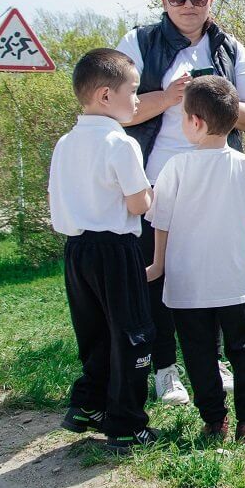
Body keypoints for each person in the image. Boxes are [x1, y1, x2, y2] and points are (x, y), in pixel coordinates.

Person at [117, 0, 245, 405]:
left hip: (215, 182)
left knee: (211, 276)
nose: (187, 5)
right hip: (153, 181)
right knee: (158, 276)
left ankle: (213, 361)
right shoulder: (139, 42)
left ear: (210, 1)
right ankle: (166, 369)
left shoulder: (229, 47)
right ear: (164, 1)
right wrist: (172, 96)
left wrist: (214, 98)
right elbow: (118, 110)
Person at [145, 76, 245, 444]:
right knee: (244, 349)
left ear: (195, 122)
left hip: (186, 283)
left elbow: (161, 222)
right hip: (233, 281)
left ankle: (213, 421)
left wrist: (158, 264)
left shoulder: (175, 167)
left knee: (198, 353)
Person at [48, 48, 158, 453]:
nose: (137, 99)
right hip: (114, 249)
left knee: (93, 332)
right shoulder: (120, 143)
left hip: (76, 251)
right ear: (106, 96)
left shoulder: (65, 142)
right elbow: (137, 204)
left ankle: (87, 405)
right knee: (133, 335)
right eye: (134, 90)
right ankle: (127, 424)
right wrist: (150, 192)